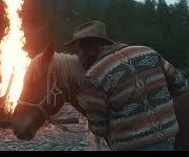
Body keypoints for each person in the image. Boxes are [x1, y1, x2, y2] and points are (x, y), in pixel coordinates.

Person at [61, 21, 189, 151]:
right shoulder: (147, 52)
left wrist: (90, 109)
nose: (78, 58)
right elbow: (181, 86)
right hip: (167, 143)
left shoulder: (94, 75)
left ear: (90, 49)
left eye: (78, 51)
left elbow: (99, 129)